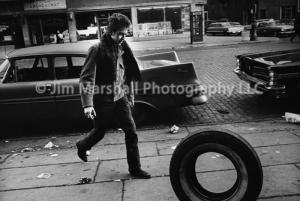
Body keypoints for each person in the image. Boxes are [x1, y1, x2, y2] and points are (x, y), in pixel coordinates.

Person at [76, 13, 151, 179]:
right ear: (110, 32)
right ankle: (82, 145)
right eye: (120, 34)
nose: (123, 37)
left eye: (125, 33)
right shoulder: (97, 49)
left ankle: (135, 169)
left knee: (131, 131)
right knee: (99, 132)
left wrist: (130, 95)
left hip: (120, 98)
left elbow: (127, 74)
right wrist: (88, 104)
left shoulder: (123, 47)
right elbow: (87, 78)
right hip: (102, 100)